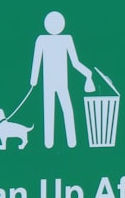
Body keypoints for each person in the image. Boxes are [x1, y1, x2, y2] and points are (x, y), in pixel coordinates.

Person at [30, 11, 94, 149]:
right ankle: (49, 143)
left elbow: (75, 62)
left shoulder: (66, 39)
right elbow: (37, 61)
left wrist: (87, 73)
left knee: (64, 109)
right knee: (51, 111)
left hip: (60, 83)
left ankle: (71, 142)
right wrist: (33, 80)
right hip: (49, 83)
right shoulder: (42, 39)